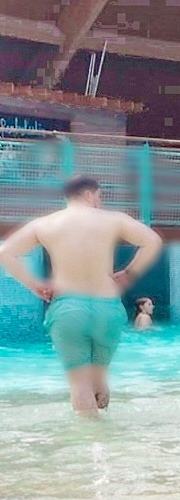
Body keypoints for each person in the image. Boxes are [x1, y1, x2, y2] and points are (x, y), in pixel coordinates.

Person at [0, 175, 163, 417]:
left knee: (79, 383)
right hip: (107, 307)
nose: (100, 202)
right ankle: (108, 440)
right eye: (99, 196)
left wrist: (35, 285)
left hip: (68, 307)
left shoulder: (45, 224)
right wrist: (129, 272)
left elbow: (5, 252)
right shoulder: (114, 219)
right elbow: (152, 241)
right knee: (99, 377)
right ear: (89, 194)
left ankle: (89, 444)